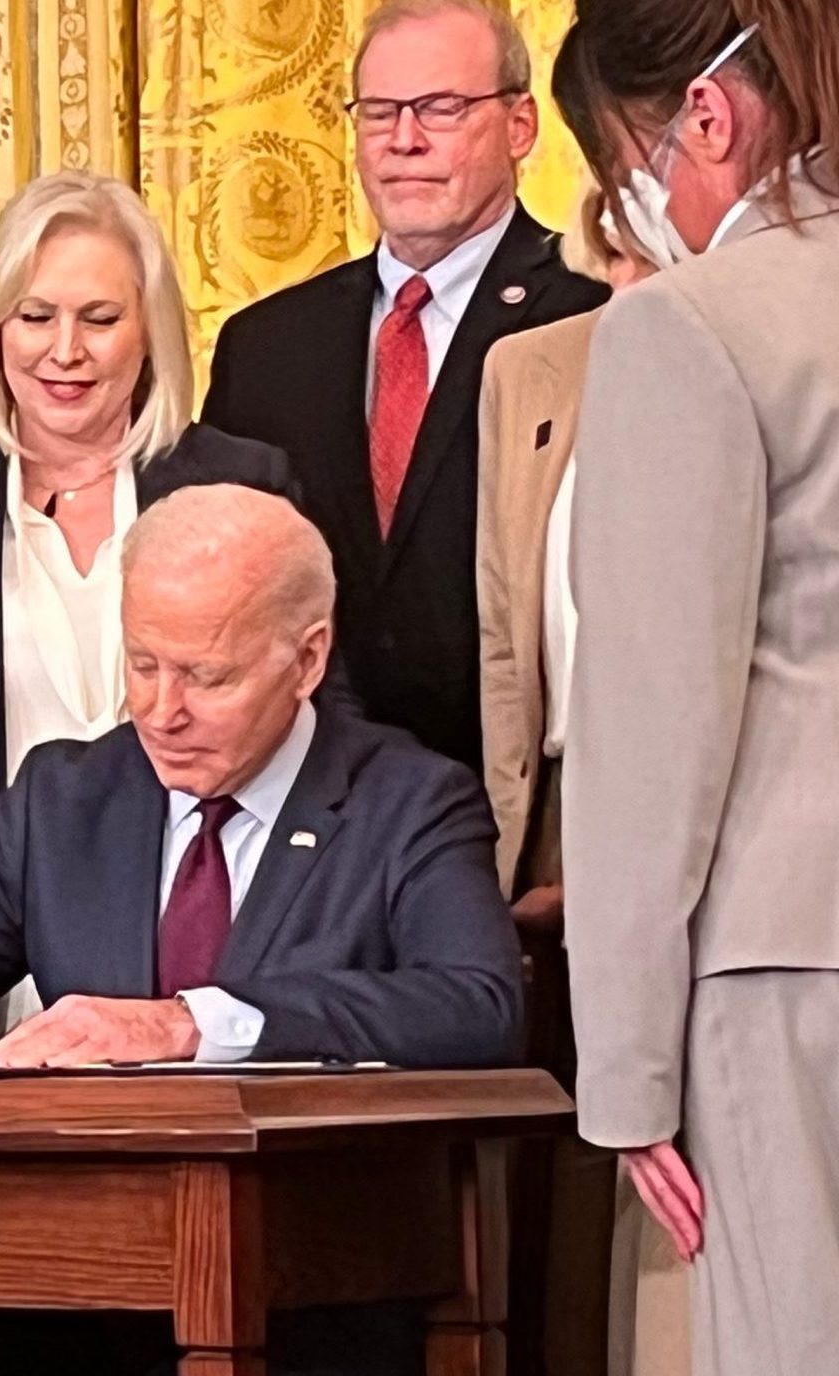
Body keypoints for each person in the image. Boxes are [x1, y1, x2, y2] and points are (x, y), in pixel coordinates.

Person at [0, 484, 521, 1376]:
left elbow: (477, 1006)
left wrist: (193, 1024)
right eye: (142, 665)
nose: (161, 712)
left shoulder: (409, 804)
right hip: (81, 1302)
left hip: (319, 1303)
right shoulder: (66, 798)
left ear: (308, 657)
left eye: (207, 677)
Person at [551, 4, 839, 1373]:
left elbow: (652, 733)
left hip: (793, 970)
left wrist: (627, 1078)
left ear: (706, 125)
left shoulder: (694, 326)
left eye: (624, 173)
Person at [0, 171, 293, 999]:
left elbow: (312, 726)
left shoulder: (242, 487)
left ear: (149, 332)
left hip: (205, 963)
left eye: (99, 319)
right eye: (36, 317)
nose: (64, 351)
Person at [202, 0, 608, 773]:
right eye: (380, 112)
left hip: (523, 810)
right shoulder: (265, 348)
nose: (405, 140)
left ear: (521, 127)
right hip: (309, 816)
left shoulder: (591, 317)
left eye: (442, 109)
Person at [476, 190, 679, 1376]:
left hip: (688, 828)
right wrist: (523, 851)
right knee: (550, 1189)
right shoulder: (532, 369)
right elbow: (509, 640)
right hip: (551, 822)